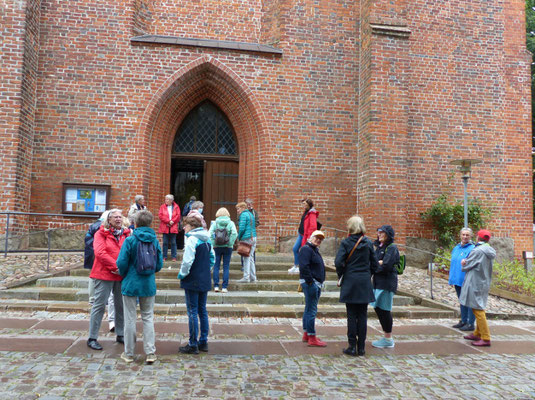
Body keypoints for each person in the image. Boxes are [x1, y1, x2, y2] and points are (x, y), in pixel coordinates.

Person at [116, 210, 163, 364]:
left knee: (129, 318)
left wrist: (124, 274)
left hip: (131, 282)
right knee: (148, 317)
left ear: (135, 223)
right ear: (150, 223)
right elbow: (159, 264)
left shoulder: (130, 240)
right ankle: (150, 353)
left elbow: (121, 262)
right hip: (148, 283)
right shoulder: (155, 241)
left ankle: (129, 353)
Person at [87, 209, 130, 350]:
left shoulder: (127, 234)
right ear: (109, 220)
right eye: (115, 217)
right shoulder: (100, 233)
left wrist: (122, 268)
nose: (118, 219)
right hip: (103, 273)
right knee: (99, 305)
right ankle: (92, 337)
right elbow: (100, 252)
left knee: (120, 305)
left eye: (120, 217)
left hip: (120, 274)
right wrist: (115, 266)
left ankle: (120, 334)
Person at [335, 215, 378, 357]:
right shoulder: (368, 243)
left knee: (351, 315)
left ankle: (352, 346)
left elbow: (338, 262)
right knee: (363, 315)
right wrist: (368, 274)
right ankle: (362, 348)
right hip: (364, 282)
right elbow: (375, 265)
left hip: (351, 282)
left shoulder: (346, 243)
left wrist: (342, 274)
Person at [177, 215, 215, 354]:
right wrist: (206, 270)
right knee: (202, 310)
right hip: (204, 278)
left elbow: (187, 261)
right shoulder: (207, 239)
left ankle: (193, 344)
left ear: (191, 226)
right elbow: (212, 258)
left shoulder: (192, 239)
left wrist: (182, 274)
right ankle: (203, 341)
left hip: (192, 278)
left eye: (185, 226)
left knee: (192, 311)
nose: (184, 228)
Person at [460, 229, 496, 347]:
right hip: (483, 281)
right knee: (477, 306)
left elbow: (467, 265)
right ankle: (477, 333)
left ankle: (485, 337)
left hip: (475, 282)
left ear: (477, 238)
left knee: (478, 309)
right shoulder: (488, 250)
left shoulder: (478, 250)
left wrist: (464, 262)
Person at [371, 225, 399, 349]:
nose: (379, 235)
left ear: (388, 234)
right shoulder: (379, 248)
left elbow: (386, 266)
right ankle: (386, 336)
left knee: (384, 310)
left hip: (386, 284)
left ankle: (388, 338)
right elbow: (374, 263)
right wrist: (379, 262)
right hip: (378, 283)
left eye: (382, 233)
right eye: (379, 232)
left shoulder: (392, 248)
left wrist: (379, 263)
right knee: (378, 308)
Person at [299, 230, 327, 347]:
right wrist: (311, 282)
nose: (318, 240)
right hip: (312, 284)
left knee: (309, 308)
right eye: (316, 237)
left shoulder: (313, 250)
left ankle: (306, 333)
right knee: (312, 310)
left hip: (314, 283)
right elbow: (304, 266)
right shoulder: (307, 249)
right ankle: (312, 337)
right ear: (311, 237)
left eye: (320, 239)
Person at [449, 228, 476, 331]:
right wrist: (451, 279)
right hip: (457, 280)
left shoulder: (472, 249)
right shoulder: (456, 248)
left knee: (469, 302)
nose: (465, 237)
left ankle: (470, 323)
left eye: (467, 235)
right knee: (462, 301)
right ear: (460, 235)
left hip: (467, 280)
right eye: (463, 234)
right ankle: (463, 320)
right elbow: (453, 264)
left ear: (471, 236)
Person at [208, 207, 238, 293]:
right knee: (226, 266)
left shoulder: (215, 223)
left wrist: (214, 243)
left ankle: (216, 286)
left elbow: (209, 234)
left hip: (217, 247)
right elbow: (235, 233)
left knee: (216, 266)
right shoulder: (231, 223)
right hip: (228, 247)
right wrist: (230, 243)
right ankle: (224, 287)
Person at [289, 199, 319, 274]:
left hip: (306, 236)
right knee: (295, 249)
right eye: (303, 204)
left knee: (303, 252)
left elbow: (313, 227)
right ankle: (296, 266)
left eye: (305, 204)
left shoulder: (312, 213)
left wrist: (309, 238)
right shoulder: (306, 211)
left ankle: (301, 267)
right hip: (301, 234)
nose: (304, 206)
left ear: (309, 205)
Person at [236, 202, 257, 283]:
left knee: (246, 257)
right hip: (254, 237)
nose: (237, 211)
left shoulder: (243, 215)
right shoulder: (250, 214)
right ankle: (253, 277)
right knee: (251, 257)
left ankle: (246, 277)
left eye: (238, 209)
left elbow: (241, 228)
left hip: (247, 238)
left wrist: (239, 237)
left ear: (243, 207)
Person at [158, 194, 181, 261]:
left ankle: (174, 256)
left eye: (167, 199)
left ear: (171, 200)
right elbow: (160, 215)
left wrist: (172, 221)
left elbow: (178, 215)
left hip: (173, 226)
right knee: (165, 242)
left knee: (173, 242)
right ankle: (164, 256)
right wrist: (168, 221)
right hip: (165, 226)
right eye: (165, 199)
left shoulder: (176, 207)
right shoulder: (162, 207)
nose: (166, 201)